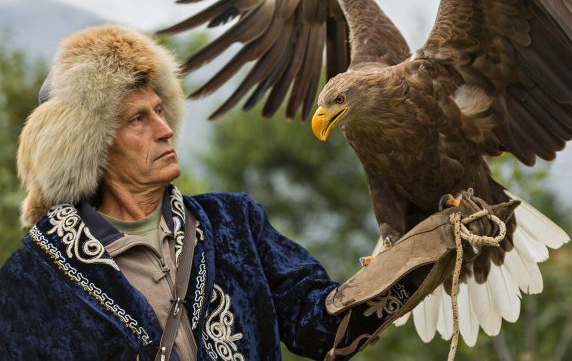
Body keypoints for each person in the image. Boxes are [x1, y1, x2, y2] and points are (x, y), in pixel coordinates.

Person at [0, 24, 507, 360]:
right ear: (92, 146)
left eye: (161, 110)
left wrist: (417, 258)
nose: (165, 128)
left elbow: (321, 324)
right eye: (139, 118)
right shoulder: (35, 277)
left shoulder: (232, 224)